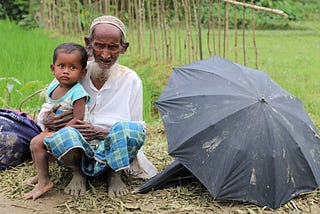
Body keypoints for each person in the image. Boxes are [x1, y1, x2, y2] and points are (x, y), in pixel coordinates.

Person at [38, 15, 157, 199]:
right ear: (88, 43)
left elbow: (137, 128)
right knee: (66, 134)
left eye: (113, 47)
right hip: (76, 148)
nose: (105, 54)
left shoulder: (131, 80)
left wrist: (100, 133)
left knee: (130, 129)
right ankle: (77, 173)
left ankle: (114, 174)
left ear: (123, 48)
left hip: (112, 147)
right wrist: (47, 119)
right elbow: (46, 111)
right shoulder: (72, 70)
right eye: (99, 45)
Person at [23, 43, 90, 200]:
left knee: (35, 143)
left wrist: (58, 135)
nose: (66, 71)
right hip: (52, 129)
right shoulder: (54, 85)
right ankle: (40, 176)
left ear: (83, 72)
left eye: (73, 67)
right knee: (35, 146)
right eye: (61, 66)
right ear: (53, 68)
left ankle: (44, 182)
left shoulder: (78, 92)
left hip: (68, 133)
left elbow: (78, 119)